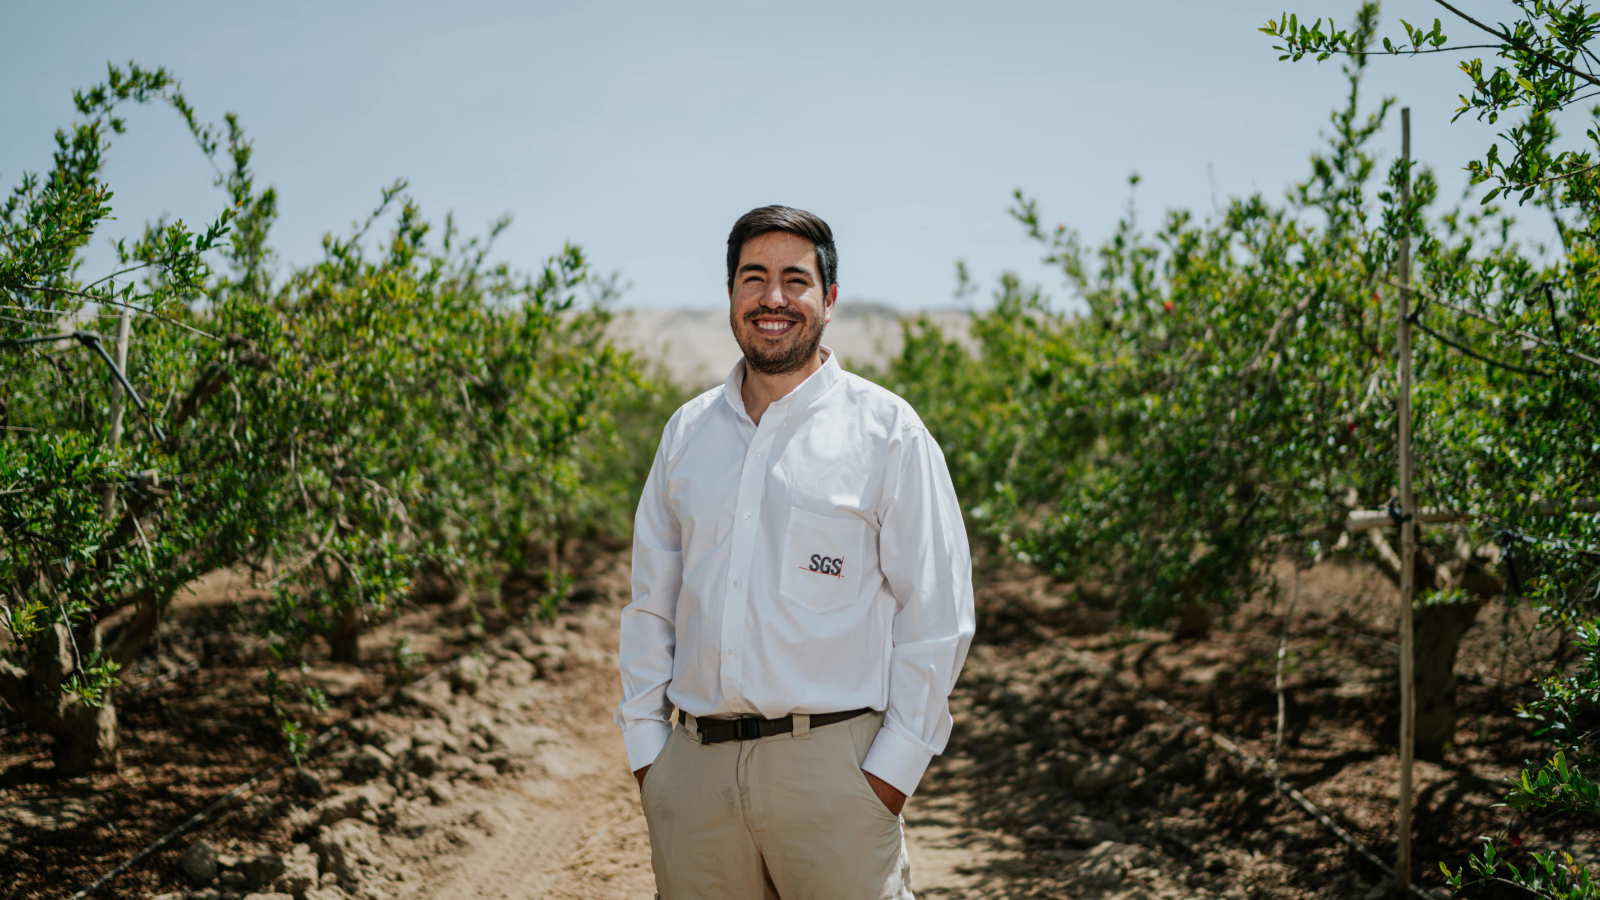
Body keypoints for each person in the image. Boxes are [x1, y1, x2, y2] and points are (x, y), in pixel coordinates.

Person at [614, 205, 975, 899]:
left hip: (835, 771)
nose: (772, 298)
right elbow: (650, 606)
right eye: (754, 278)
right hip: (693, 777)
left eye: (794, 280)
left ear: (829, 300)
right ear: (730, 296)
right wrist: (650, 758)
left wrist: (888, 777)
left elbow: (937, 614)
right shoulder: (687, 434)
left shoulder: (886, 431)